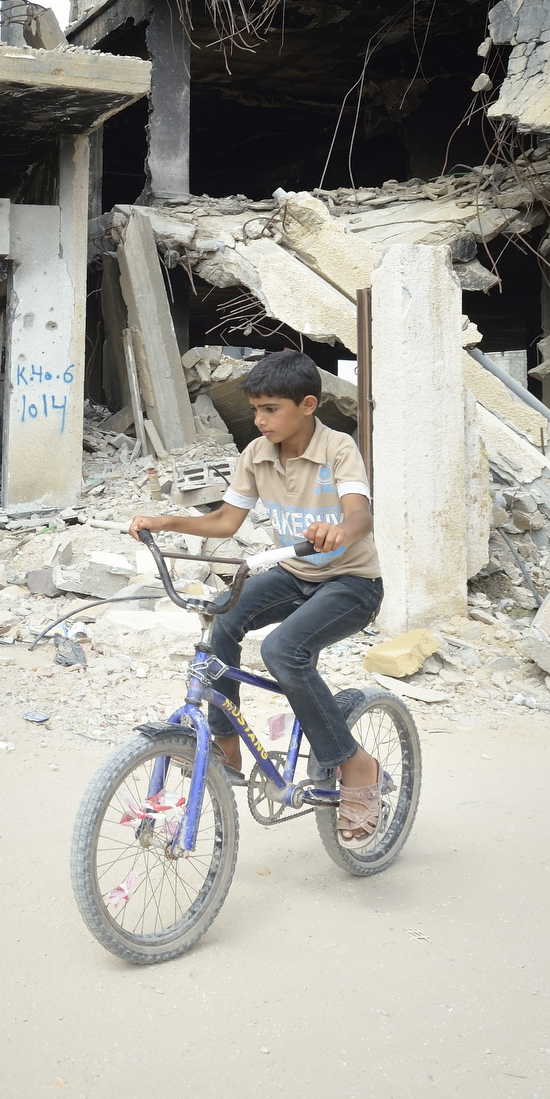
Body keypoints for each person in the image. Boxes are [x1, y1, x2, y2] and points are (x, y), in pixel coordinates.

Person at [128, 350, 386, 839]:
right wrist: (166, 520)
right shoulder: (256, 454)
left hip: (351, 581)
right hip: (291, 574)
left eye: (271, 409)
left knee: (282, 651)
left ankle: (354, 764)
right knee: (222, 622)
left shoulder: (338, 450)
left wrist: (340, 532)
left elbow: (361, 515)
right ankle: (226, 742)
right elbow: (226, 521)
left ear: (308, 405)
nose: (260, 419)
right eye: (256, 409)